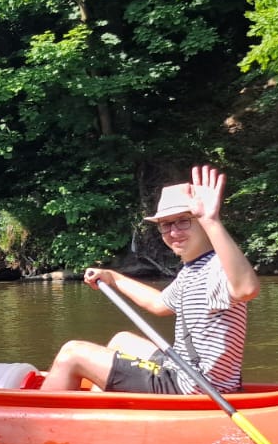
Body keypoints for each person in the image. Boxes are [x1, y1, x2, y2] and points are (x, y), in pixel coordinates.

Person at [41, 165, 259, 393]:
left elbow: (246, 289)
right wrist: (113, 278)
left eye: (184, 220)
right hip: (186, 372)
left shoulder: (216, 267)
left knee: (71, 353)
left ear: (202, 222)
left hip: (195, 387)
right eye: (166, 224)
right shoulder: (193, 269)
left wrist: (211, 220)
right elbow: (159, 304)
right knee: (122, 340)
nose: (174, 232)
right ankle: (106, 409)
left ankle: (37, 418)